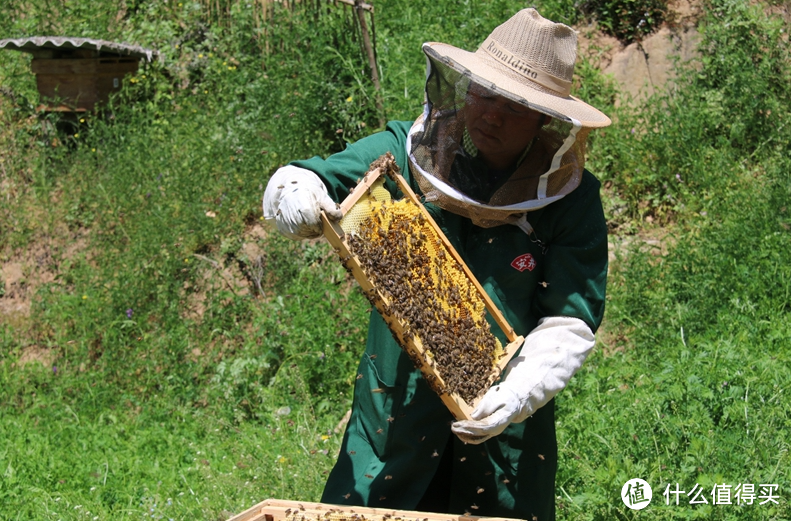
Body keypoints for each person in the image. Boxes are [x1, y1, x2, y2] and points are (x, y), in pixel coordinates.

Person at [263, 8, 610, 520]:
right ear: (464, 88)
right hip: (393, 416)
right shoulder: (402, 153)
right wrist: (296, 194)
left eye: (514, 106)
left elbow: (570, 318)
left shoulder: (571, 201)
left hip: (501, 432)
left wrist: (518, 392)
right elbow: (302, 176)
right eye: (485, 93)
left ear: (546, 119)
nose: (492, 114)